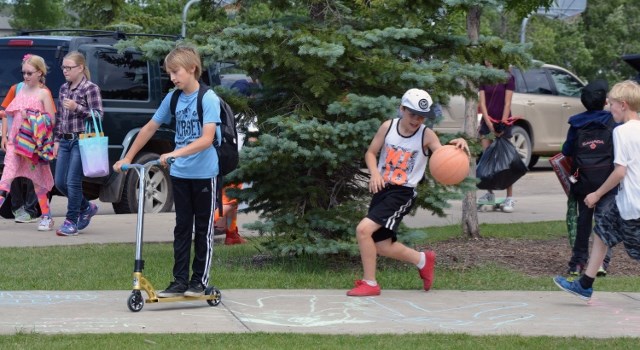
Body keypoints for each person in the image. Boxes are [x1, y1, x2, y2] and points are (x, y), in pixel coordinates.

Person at [114, 45, 221, 298]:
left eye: (176, 72)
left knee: (203, 229)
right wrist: (127, 157)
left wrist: (175, 153)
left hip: (205, 173)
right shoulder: (173, 98)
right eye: (170, 73)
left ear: (192, 68)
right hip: (181, 174)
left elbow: (207, 139)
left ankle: (199, 281)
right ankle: (180, 281)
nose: (172, 77)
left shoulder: (208, 98)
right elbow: (150, 127)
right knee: (182, 227)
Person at [347, 88, 469, 297]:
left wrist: (459, 145)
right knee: (382, 245)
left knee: (363, 230)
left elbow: (442, 155)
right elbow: (370, 152)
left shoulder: (426, 135)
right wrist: (375, 173)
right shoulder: (388, 127)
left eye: (421, 116)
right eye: (412, 114)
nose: (416, 120)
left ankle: (370, 283)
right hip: (382, 188)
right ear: (402, 109)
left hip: (402, 193)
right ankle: (423, 260)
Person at [553, 80, 640, 301]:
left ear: (623, 104)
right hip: (625, 200)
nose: (609, 109)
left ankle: (585, 283)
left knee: (635, 250)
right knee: (601, 231)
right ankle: (585, 284)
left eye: (611, 104)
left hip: (632, 202)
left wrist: (597, 194)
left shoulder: (621, 132)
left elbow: (620, 172)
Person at [561, 79, 616, 278]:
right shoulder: (612, 120)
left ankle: (577, 263)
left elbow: (566, 150)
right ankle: (601, 263)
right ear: (604, 101)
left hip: (582, 180)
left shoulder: (576, 123)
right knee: (604, 221)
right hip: (608, 180)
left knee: (583, 221)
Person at [0, 54, 56, 231]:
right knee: (6, 177)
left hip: (33, 145)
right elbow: (8, 114)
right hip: (15, 144)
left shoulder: (44, 93)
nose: (25, 76)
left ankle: (46, 216)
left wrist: (31, 116)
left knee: (37, 181)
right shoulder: (20, 89)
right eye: (23, 72)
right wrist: (5, 136)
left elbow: (51, 121)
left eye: (29, 73)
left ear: (40, 73)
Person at [53, 51, 103, 236]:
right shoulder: (63, 89)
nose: (65, 71)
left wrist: (78, 108)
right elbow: (60, 117)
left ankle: (71, 221)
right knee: (59, 182)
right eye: (63, 67)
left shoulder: (90, 88)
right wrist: (57, 140)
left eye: (69, 67)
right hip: (65, 141)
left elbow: (98, 115)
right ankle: (87, 207)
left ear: (81, 68)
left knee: (73, 182)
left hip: (81, 140)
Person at [477, 60, 516, 212]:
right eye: (485, 57)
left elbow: (507, 103)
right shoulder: (483, 77)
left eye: (490, 57)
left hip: (502, 122)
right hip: (488, 123)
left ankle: (509, 198)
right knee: (487, 160)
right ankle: (489, 194)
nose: (487, 60)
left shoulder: (508, 77)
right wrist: (488, 122)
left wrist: (502, 124)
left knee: (505, 161)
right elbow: (482, 103)